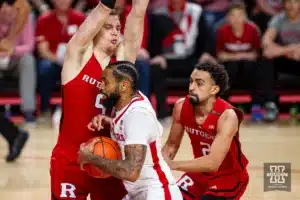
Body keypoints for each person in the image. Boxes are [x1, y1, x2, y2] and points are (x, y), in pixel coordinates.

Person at [50, 0, 149, 199]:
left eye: (118, 28)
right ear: (95, 30)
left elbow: (138, 14)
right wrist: (104, 7)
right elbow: (97, 16)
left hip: (109, 159)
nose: (115, 32)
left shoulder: (121, 65)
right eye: (108, 27)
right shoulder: (77, 58)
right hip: (70, 161)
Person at [80, 62, 182, 200]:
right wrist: (112, 121)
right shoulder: (124, 103)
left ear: (124, 85)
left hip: (157, 193)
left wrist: (91, 158)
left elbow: (131, 171)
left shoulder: (137, 115)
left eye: (106, 82)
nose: (101, 87)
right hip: (139, 193)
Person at [162, 62, 249, 200]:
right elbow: (171, 145)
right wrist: (158, 165)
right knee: (165, 196)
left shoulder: (227, 116)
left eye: (199, 83)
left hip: (228, 177)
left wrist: (173, 165)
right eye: (191, 81)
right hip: (198, 174)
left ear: (214, 89)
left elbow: (212, 163)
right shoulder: (181, 107)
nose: (191, 87)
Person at [0, 0, 30, 162]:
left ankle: (15, 135)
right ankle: (15, 135)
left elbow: (23, 6)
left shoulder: (20, 7)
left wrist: (10, 41)